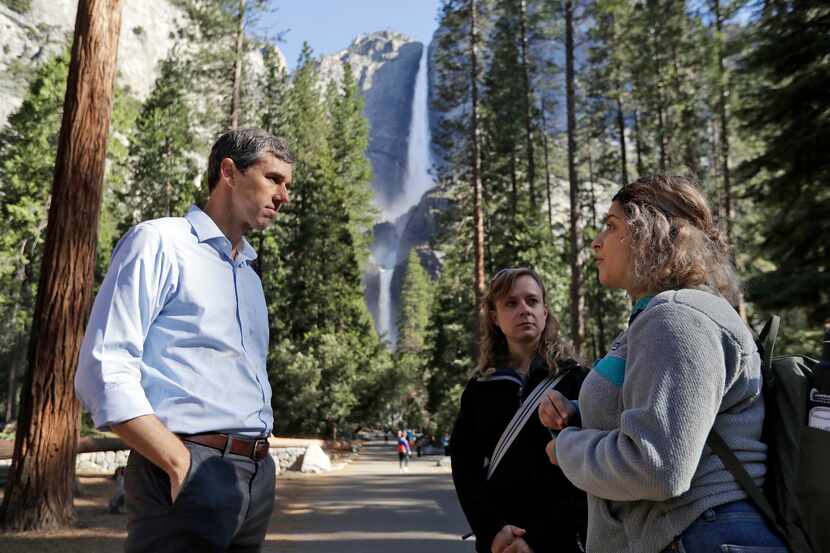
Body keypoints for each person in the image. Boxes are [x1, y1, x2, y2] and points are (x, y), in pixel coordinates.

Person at [539, 175, 788, 553]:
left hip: (703, 535)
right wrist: (576, 415)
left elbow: (658, 466)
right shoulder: (661, 316)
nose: (596, 242)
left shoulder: (677, 318)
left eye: (612, 225)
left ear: (649, 233)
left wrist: (568, 449)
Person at [75, 128, 293, 553]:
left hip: (253, 476)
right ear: (228, 171)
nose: (284, 196)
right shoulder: (160, 242)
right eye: (273, 179)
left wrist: (259, 471)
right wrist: (179, 463)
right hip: (188, 467)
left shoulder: (248, 272)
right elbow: (104, 366)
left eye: (288, 185)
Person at [451, 268, 588, 553]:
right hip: (503, 544)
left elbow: (588, 470)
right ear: (494, 318)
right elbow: (465, 469)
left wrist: (537, 538)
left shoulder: (577, 380)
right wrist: (491, 532)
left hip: (565, 540)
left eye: (532, 301)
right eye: (511, 303)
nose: (523, 309)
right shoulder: (480, 389)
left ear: (545, 313)